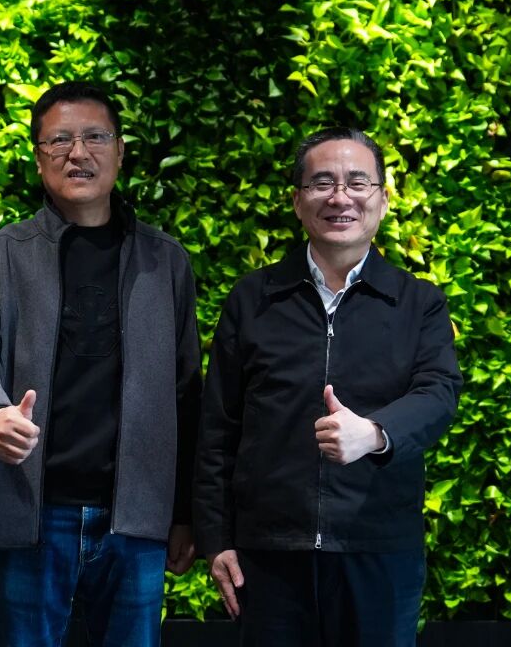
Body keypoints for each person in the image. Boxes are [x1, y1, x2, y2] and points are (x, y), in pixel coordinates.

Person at [0, 81, 202, 647]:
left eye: (95, 138)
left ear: (120, 151)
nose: (77, 153)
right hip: (28, 513)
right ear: (38, 159)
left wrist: (184, 511)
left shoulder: (166, 261)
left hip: (135, 517)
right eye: (59, 140)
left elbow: (187, 391)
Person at [193, 126, 463, 647]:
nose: (341, 197)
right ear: (298, 201)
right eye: (322, 183)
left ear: (382, 200)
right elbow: (218, 428)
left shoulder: (418, 302)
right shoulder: (253, 299)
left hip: (379, 551)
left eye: (358, 183)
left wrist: (375, 433)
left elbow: (438, 393)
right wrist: (215, 538)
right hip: (268, 556)